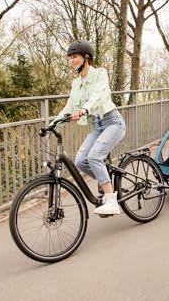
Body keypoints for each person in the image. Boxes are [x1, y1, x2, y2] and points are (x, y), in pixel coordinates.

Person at [53, 40, 126, 216]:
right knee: (80, 161)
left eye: (75, 56)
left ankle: (110, 200)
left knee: (94, 156)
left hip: (113, 123)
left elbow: (99, 95)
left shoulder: (100, 74)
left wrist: (85, 108)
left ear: (87, 57)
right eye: (70, 57)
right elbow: (69, 107)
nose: (72, 60)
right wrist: (53, 124)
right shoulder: (76, 83)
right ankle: (107, 180)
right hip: (98, 126)